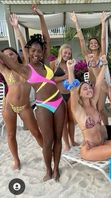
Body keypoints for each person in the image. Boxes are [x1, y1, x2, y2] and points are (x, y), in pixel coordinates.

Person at [0, 5, 65, 182]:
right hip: (43, 105)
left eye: (39, 50)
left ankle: (57, 168)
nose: (37, 53)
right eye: (33, 51)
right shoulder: (24, 70)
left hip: (59, 102)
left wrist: (42, 18)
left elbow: (46, 38)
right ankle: (48, 170)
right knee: (47, 141)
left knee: (58, 139)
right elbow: (5, 58)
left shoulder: (46, 62)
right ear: (28, 52)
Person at [66, 55, 111, 188]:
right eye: (85, 89)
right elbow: (72, 90)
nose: (89, 90)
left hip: (102, 143)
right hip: (90, 149)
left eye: (89, 88)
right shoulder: (78, 109)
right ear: (80, 93)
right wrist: (70, 70)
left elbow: (99, 83)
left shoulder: (93, 104)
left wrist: (104, 65)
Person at [0, 13, 43, 170]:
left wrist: (16, 28)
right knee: (11, 135)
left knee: (36, 132)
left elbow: (26, 48)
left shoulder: (26, 68)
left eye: (11, 53)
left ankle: (47, 151)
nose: (8, 56)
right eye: (5, 55)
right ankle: (16, 160)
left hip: (25, 107)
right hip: (9, 107)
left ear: (16, 56)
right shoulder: (4, 70)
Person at [70, 11, 109, 125]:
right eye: (91, 43)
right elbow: (81, 40)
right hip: (91, 86)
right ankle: (98, 127)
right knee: (95, 109)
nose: (93, 44)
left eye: (95, 43)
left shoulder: (102, 54)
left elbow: (103, 39)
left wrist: (103, 22)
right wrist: (76, 23)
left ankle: (107, 129)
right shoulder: (87, 56)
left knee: (101, 109)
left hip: (101, 85)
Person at [50, 44, 78, 151]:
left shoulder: (70, 64)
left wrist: (71, 70)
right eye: (65, 53)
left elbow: (73, 80)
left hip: (70, 94)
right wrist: (64, 77)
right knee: (64, 120)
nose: (67, 55)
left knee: (71, 119)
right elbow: (51, 79)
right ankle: (66, 143)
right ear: (60, 52)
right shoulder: (54, 64)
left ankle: (72, 140)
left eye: (69, 53)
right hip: (59, 94)